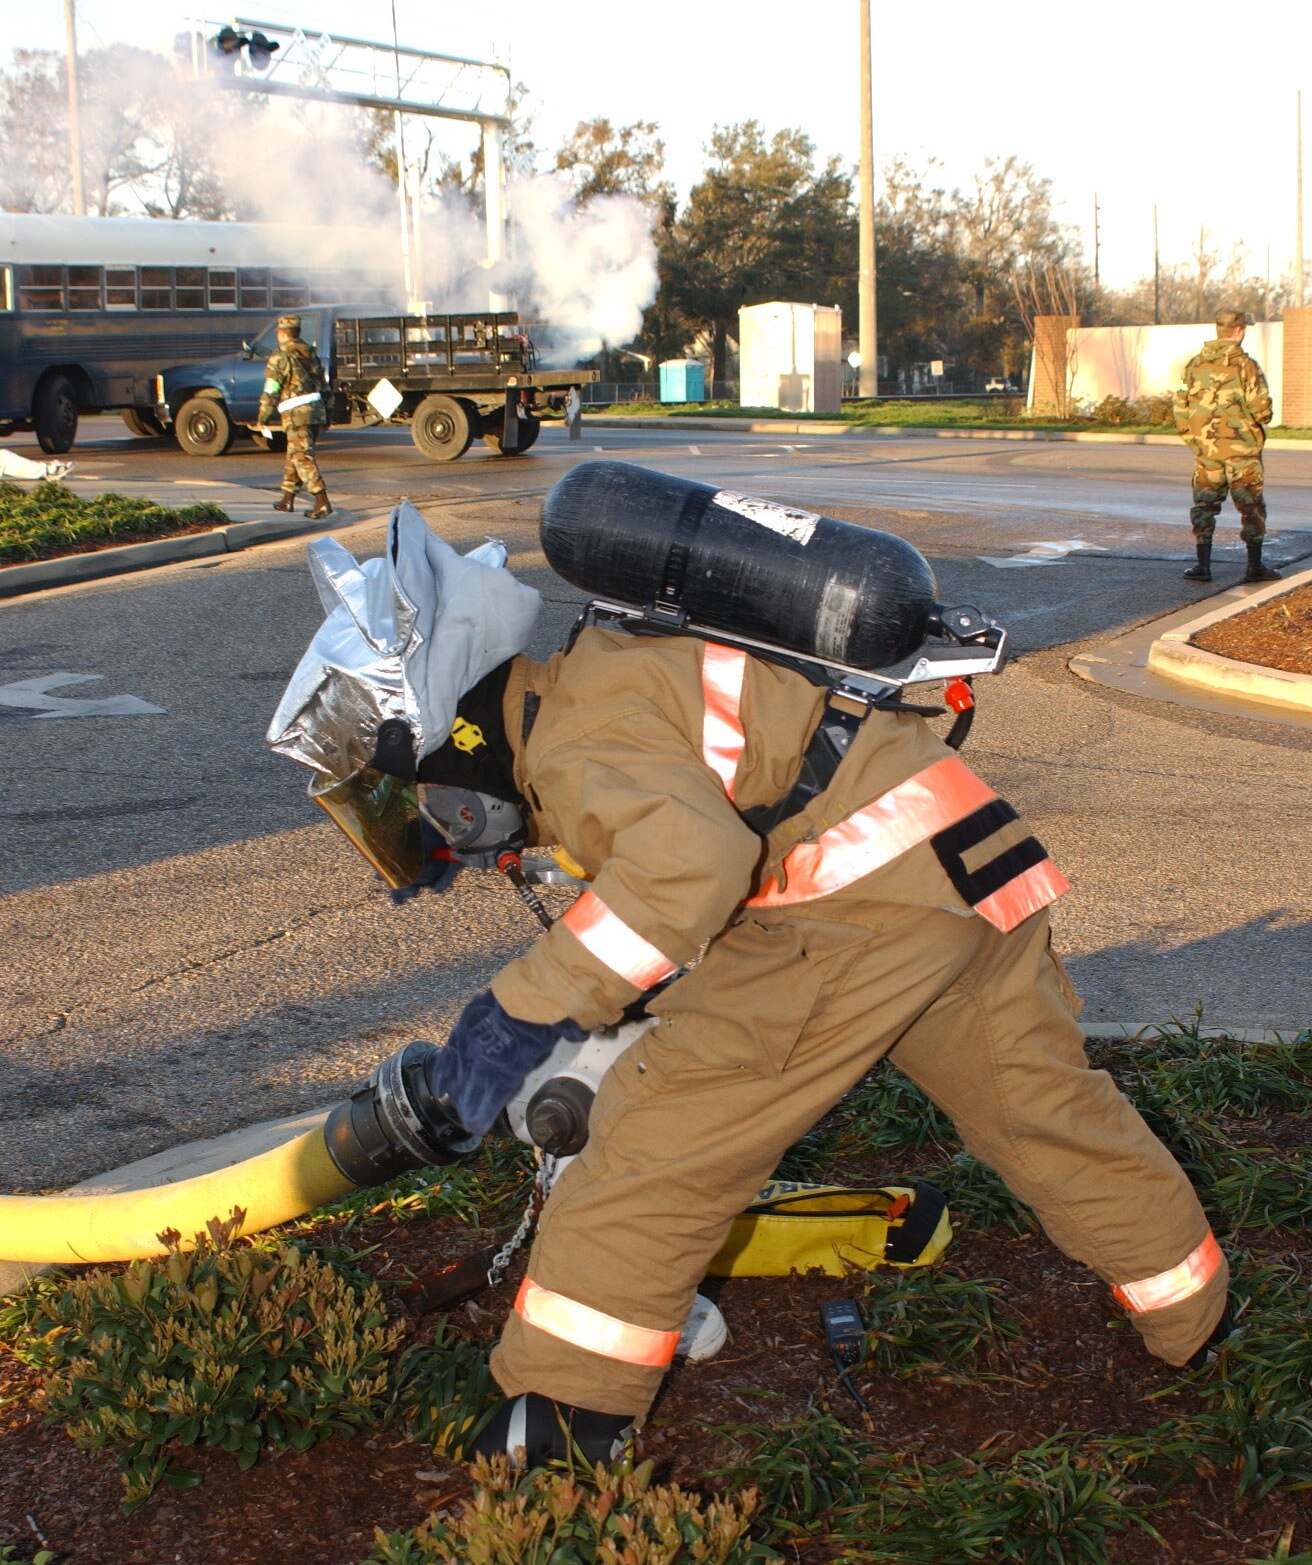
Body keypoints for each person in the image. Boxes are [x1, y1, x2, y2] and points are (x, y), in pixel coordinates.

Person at [270, 479, 1231, 1471]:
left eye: (412, 797)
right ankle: (1197, 1314)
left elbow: (687, 872)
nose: (427, 831)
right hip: (962, 857)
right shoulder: (607, 669)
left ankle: (558, 1429)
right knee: (1041, 1109)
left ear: (452, 745)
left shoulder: (570, 741)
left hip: (855, 908)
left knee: (654, 1141)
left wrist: (509, 1019)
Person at [1173, 308, 1278, 585]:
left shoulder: (1194, 365)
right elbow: (1262, 411)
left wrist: (1195, 441)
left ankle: (1202, 566)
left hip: (1206, 451)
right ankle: (1254, 566)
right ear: (1240, 331)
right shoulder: (1247, 366)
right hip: (1242, 452)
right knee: (1251, 507)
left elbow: (1179, 407)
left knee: (1205, 506)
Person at [258, 314, 332, 520]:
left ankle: (321, 500)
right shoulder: (309, 353)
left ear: (281, 333)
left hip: (296, 414)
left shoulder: (281, 355)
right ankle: (287, 499)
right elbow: (324, 385)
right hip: (316, 411)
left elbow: (272, 387)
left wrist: (263, 415)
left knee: (302, 457)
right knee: (294, 454)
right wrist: (328, 413)